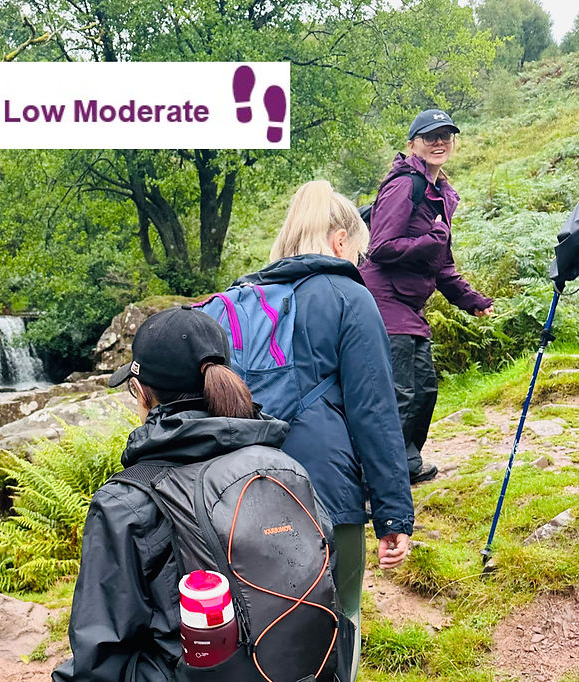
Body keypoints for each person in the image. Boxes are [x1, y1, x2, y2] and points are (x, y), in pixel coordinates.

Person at [234, 179, 414, 681]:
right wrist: (393, 516)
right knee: (340, 615)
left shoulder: (244, 298)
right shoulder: (349, 296)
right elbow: (374, 412)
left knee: (263, 621)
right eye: (358, 252)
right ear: (339, 242)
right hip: (326, 492)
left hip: (244, 490)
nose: (359, 262)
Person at [51, 306, 290, 682]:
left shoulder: (124, 503)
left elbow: (99, 660)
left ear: (143, 392)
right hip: (294, 664)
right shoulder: (283, 467)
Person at [360, 108, 492, 485]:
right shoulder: (404, 184)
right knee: (400, 393)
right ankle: (375, 480)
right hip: (383, 300)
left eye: (445, 136)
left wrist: (473, 301)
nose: (439, 142)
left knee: (424, 391)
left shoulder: (440, 194)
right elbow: (380, 247)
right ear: (412, 144)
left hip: (410, 306)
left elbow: (442, 265)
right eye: (430, 136)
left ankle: (404, 464)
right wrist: (430, 240)